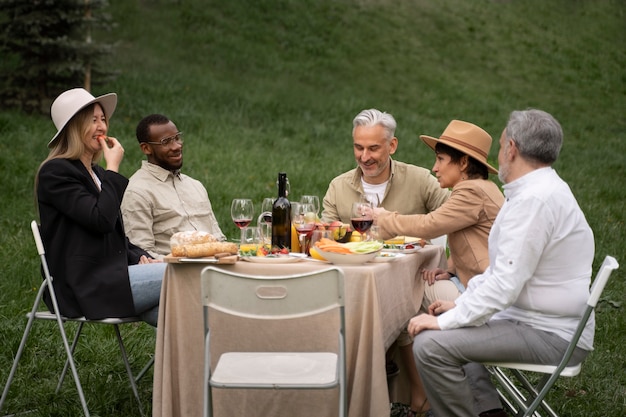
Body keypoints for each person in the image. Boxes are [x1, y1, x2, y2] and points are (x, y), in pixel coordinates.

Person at [407, 109, 595, 417]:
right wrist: (462, 307)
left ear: (511, 148)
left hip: (551, 333)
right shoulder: (534, 192)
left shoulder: (535, 201)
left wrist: (446, 320)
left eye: (501, 144)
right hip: (535, 319)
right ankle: (487, 411)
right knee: (453, 325)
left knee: (430, 345)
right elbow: (499, 273)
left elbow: (505, 285)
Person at [374, 120, 505, 416]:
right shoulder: (482, 188)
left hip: (487, 298)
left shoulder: (471, 191)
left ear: (463, 162)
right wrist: (452, 270)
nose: (434, 168)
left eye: (440, 159)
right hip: (482, 286)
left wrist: (385, 218)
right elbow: (474, 240)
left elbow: (431, 224)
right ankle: (461, 400)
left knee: (414, 289)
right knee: (421, 292)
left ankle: (463, 402)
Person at [36, 88, 165, 326]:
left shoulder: (97, 174)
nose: (102, 126)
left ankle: (196, 361)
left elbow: (116, 239)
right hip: (84, 287)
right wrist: (113, 168)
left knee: (184, 311)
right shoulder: (55, 172)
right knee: (182, 277)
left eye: (103, 119)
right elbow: (101, 220)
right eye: (93, 120)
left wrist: (143, 258)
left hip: (112, 276)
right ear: (74, 127)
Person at [121, 114, 225, 259]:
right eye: (166, 142)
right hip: (173, 273)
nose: (177, 146)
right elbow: (142, 254)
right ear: (146, 148)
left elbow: (219, 238)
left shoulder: (195, 186)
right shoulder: (137, 191)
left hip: (215, 266)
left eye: (177, 138)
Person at [321, 108, 449, 223]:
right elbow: (324, 237)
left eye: (373, 148)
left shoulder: (420, 180)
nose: (364, 157)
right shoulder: (338, 187)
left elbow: (459, 210)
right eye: (359, 148)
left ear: (392, 146)